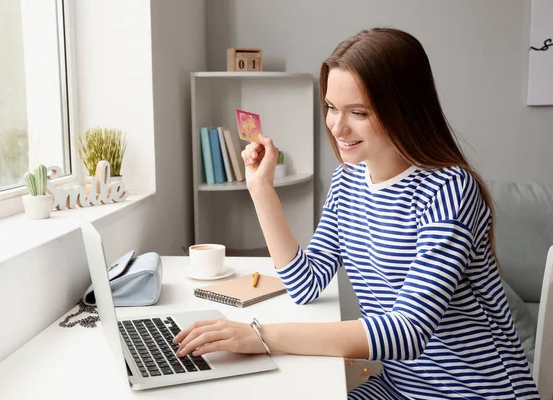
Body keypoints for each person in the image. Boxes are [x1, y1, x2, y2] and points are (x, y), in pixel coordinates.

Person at [174, 27, 540, 399]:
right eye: (332, 107)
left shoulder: (449, 190)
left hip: (476, 392)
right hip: (398, 387)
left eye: (359, 112)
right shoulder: (348, 181)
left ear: (405, 109)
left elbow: (407, 332)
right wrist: (261, 189)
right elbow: (305, 282)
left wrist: (260, 335)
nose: (336, 126)